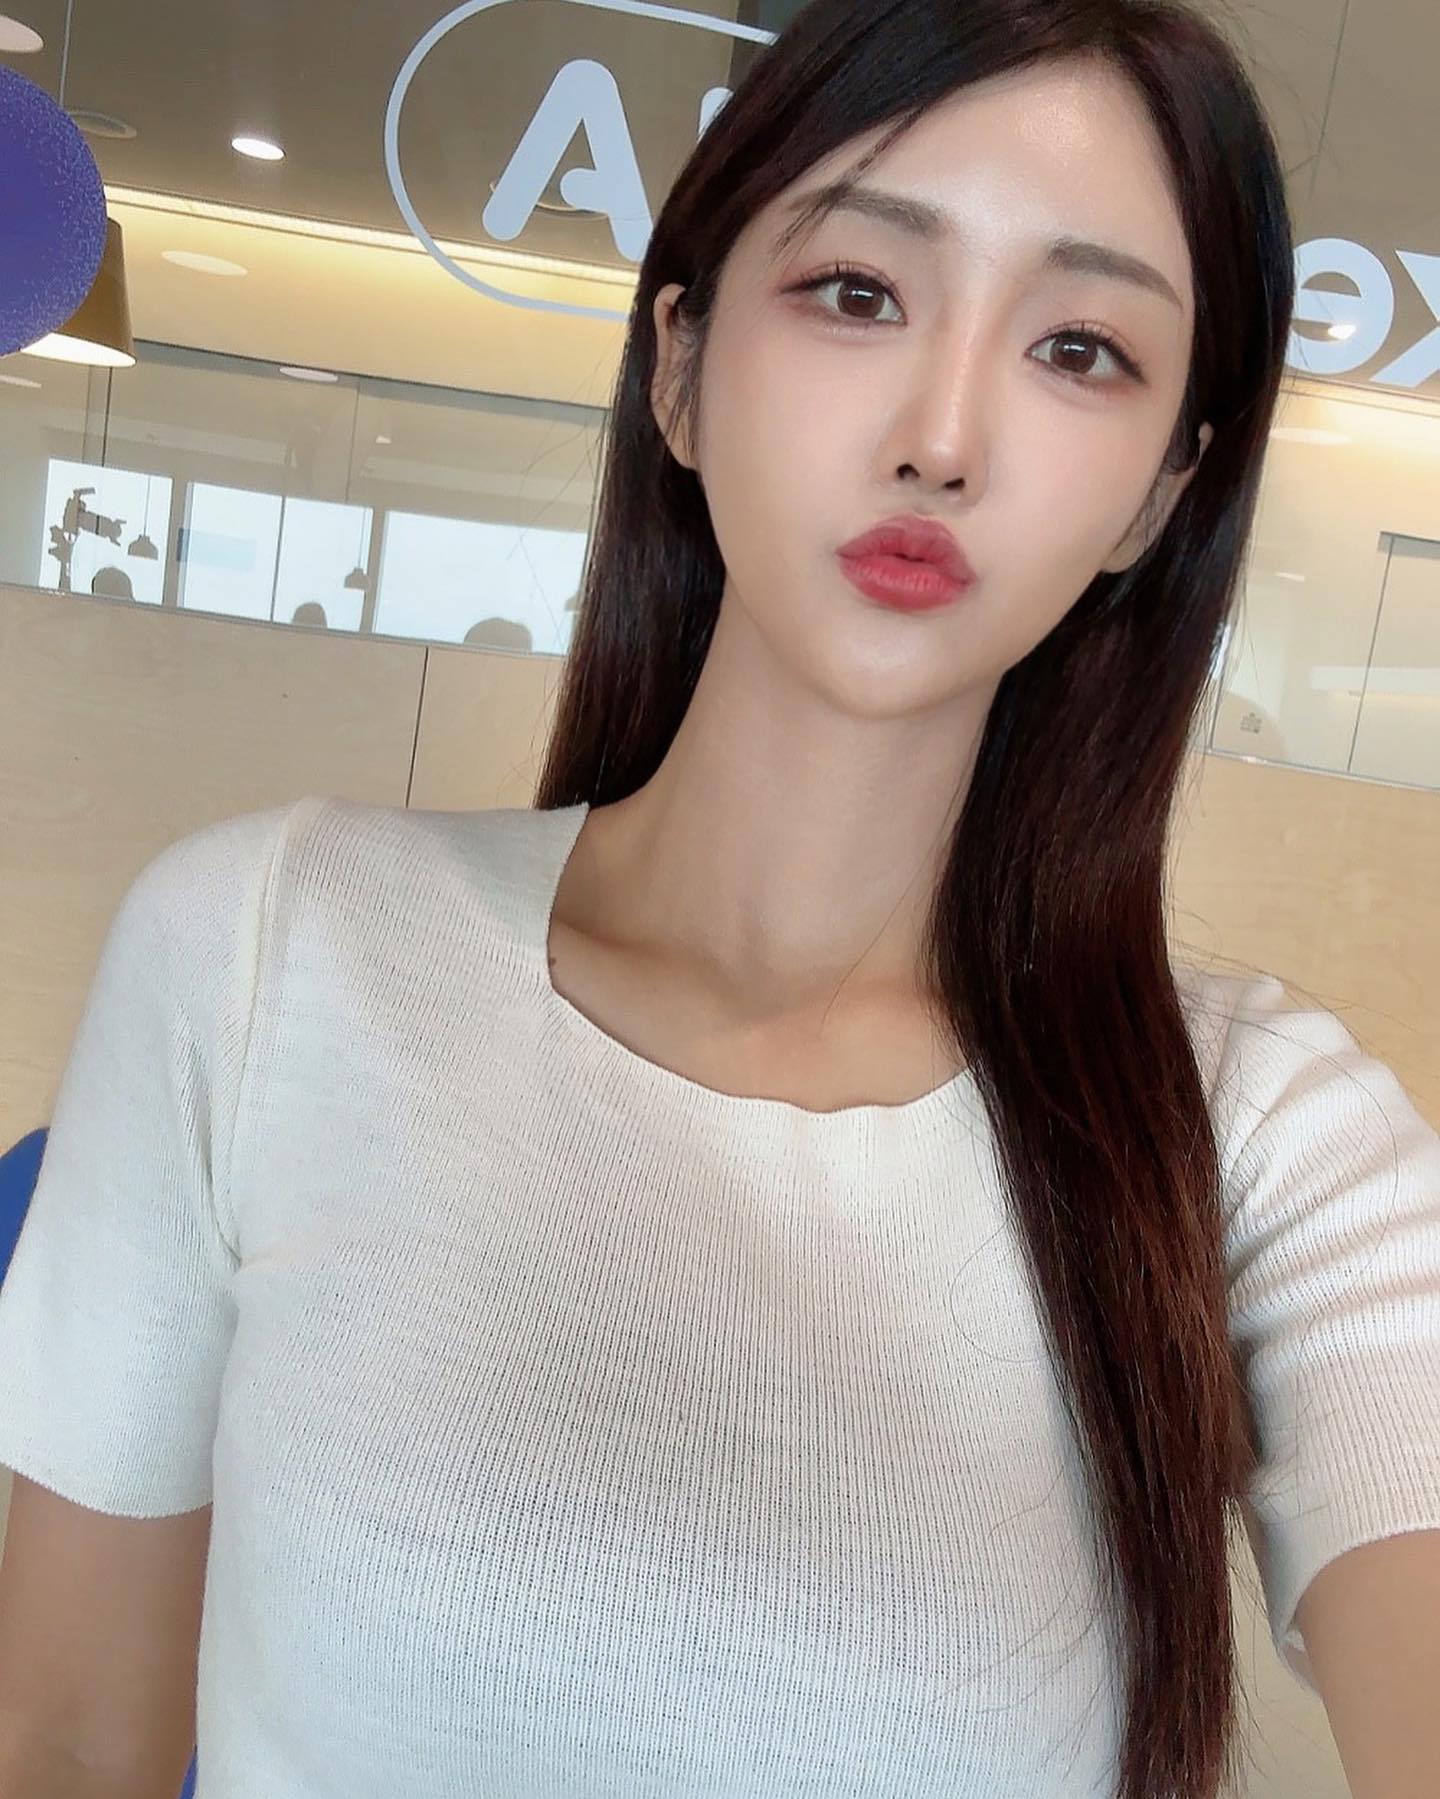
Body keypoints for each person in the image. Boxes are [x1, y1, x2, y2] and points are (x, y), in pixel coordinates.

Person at [2, 2, 1439, 1796]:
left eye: (1080, 348)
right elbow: (67, 1740)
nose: (943, 435)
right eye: (857, 291)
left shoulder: (1267, 1140)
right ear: (678, 366)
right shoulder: (264, 946)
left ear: (1164, 493)